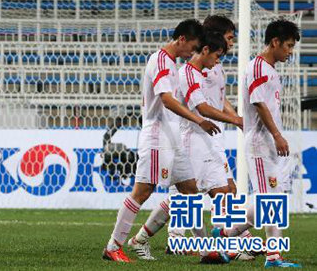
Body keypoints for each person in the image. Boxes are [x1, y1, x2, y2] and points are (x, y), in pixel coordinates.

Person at [102, 19, 227, 264]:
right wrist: (198, 120)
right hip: (158, 135)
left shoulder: (170, 63)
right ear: (182, 39)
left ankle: (205, 250)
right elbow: (167, 100)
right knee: (143, 190)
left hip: (173, 136)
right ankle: (113, 246)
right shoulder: (159, 60)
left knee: (190, 191)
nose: (193, 51)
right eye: (192, 45)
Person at [124, 30, 244, 261]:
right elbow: (201, 108)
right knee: (187, 198)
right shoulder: (187, 73)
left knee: (223, 192)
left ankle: (225, 243)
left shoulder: (204, 71)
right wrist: (237, 119)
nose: (220, 58)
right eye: (220, 51)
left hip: (208, 138)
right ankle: (142, 237)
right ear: (206, 49)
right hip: (191, 140)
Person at [212, 19, 302, 268]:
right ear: (275, 42)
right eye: (288, 46)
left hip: (269, 143)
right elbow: (259, 104)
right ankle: (273, 257)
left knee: (271, 199)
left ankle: (225, 235)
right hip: (261, 143)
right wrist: (277, 135)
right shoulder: (257, 67)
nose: (290, 51)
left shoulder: (270, 69)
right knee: (268, 200)